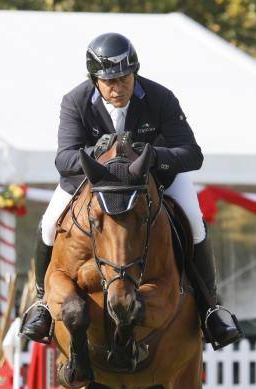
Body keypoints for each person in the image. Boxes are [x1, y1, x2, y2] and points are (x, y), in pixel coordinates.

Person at [20, 32, 242, 350]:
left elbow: (192, 153)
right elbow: (63, 158)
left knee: (194, 222)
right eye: (108, 81)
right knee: (48, 225)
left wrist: (151, 154)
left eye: (124, 78)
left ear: (134, 72)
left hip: (154, 178)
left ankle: (211, 311)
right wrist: (100, 154)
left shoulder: (160, 97)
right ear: (94, 79)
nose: (117, 88)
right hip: (95, 183)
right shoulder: (76, 101)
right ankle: (42, 305)